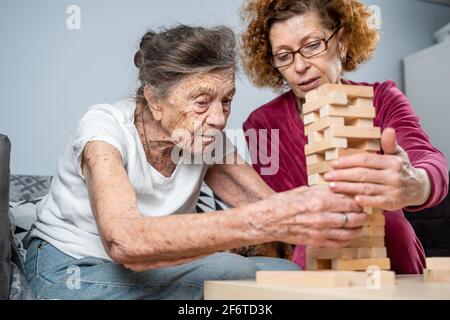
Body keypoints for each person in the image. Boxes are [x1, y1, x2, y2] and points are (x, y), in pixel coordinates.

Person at [24, 25, 368, 300]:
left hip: (145, 268)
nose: (218, 118)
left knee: (283, 275)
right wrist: (265, 221)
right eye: (202, 102)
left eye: (227, 100)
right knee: (260, 287)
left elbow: (268, 205)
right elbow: (123, 241)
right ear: (154, 99)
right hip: (72, 268)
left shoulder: (204, 139)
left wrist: (335, 218)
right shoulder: (103, 128)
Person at [240, 0, 449, 274]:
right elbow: (276, 209)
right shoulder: (262, 123)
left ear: (342, 41)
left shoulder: (383, 98)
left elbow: (428, 160)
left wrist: (416, 183)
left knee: (392, 227)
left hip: (388, 246)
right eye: (283, 56)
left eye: (312, 45)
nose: (299, 66)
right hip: (310, 250)